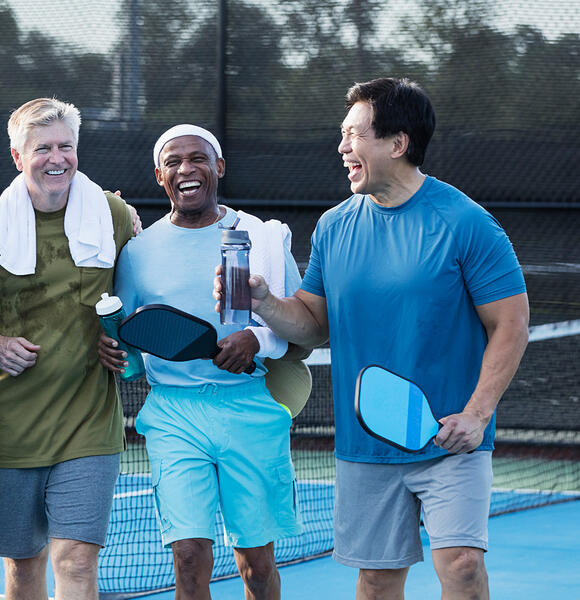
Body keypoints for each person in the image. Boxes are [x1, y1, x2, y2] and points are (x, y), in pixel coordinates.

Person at [216, 78, 529, 599]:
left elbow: (511, 325)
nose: (341, 148)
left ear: (398, 143)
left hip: (452, 441)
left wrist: (476, 414)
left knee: (463, 567)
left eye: (353, 135)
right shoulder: (335, 227)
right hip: (365, 446)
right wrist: (265, 302)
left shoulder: (468, 223)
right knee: (378, 582)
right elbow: (314, 325)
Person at [99, 124, 308, 600]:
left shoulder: (263, 240)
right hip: (173, 414)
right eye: (173, 162)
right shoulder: (136, 253)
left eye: (198, 159)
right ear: (159, 175)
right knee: (188, 557)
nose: (186, 169)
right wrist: (114, 351)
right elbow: (132, 339)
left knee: (255, 564)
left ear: (219, 168)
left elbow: (304, 334)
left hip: (250, 409)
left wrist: (256, 339)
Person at [0, 97, 138, 600]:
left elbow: (138, 294)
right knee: (23, 569)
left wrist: (122, 339)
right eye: (42, 147)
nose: (57, 158)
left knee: (76, 560)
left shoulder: (112, 214)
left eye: (66, 146)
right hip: (8, 428)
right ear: (18, 156)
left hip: (88, 424)